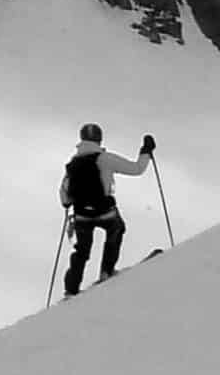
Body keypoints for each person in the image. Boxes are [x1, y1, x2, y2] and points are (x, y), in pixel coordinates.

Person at [60, 123, 155, 296]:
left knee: (81, 250)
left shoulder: (73, 164)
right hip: (105, 211)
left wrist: (68, 205)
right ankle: (106, 270)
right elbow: (136, 169)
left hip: (81, 215)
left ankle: (71, 288)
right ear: (99, 139)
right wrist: (146, 151)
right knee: (116, 229)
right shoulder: (105, 159)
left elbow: (64, 194)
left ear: (81, 139)